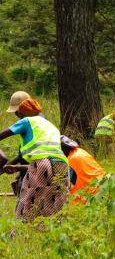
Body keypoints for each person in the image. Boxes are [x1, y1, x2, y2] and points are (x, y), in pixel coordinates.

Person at [0, 92, 70, 220]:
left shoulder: (26, 121)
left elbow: (2, 135)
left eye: (17, 113)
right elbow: (46, 155)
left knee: (26, 206)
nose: (16, 115)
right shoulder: (49, 125)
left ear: (21, 112)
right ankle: (51, 234)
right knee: (54, 205)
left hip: (42, 164)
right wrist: (15, 167)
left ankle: (19, 237)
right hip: (62, 164)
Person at [60, 136, 105, 205]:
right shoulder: (80, 151)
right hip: (104, 185)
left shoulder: (71, 160)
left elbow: (66, 184)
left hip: (93, 194)